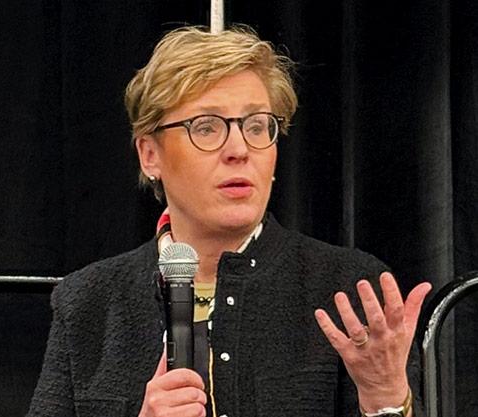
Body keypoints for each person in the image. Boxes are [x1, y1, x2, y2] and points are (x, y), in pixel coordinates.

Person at [27, 26, 431, 417]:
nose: (239, 149)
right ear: (150, 155)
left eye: (257, 126)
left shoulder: (348, 287)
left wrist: (384, 400)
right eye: (206, 127)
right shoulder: (87, 302)